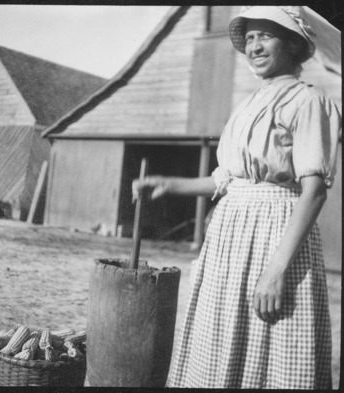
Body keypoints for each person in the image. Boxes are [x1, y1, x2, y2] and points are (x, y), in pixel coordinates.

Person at [133, 6, 341, 389]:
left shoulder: (308, 101)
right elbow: (230, 180)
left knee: (272, 341)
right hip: (229, 242)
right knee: (220, 342)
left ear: (293, 44)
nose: (254, 45)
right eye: (249, 38)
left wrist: (275, 271)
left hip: (274, 240)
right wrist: (169, 183)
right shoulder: (248, 105)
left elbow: (314, 192)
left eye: (266, 35)